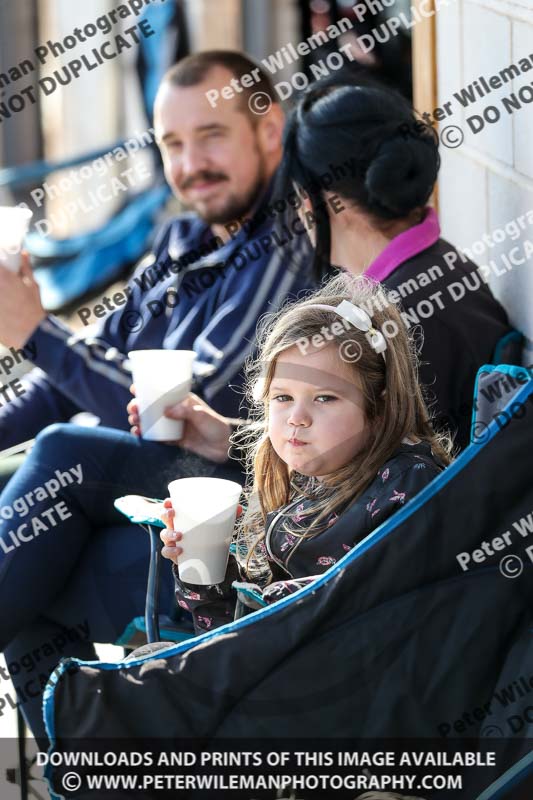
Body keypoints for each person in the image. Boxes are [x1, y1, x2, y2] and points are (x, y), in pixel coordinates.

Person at [0, 50, 315, 745]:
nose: (190, 163)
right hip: (141, 492)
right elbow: (71, 375)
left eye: (211, 135)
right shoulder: (179, 242)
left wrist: (35, 330)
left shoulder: (282, 249)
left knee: (61, 454)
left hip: (226, 500)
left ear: (269, 131)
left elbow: (180, 416)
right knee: (29, 585)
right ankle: (77, 781)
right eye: (172, 143)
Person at [160, 274, 453, 634]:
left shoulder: (410, 486)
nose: (297, 418)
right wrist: (207, 573)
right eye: (282, 397)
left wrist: (268, 600)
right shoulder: (305, 482)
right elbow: (229, 636)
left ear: (378, 408)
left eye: (325, 398)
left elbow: (366, 627)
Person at [271, 77, 514, 451]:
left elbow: (358, 476)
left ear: (320, 200)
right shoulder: (440, 266)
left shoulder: (391, 319)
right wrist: (224, 435)